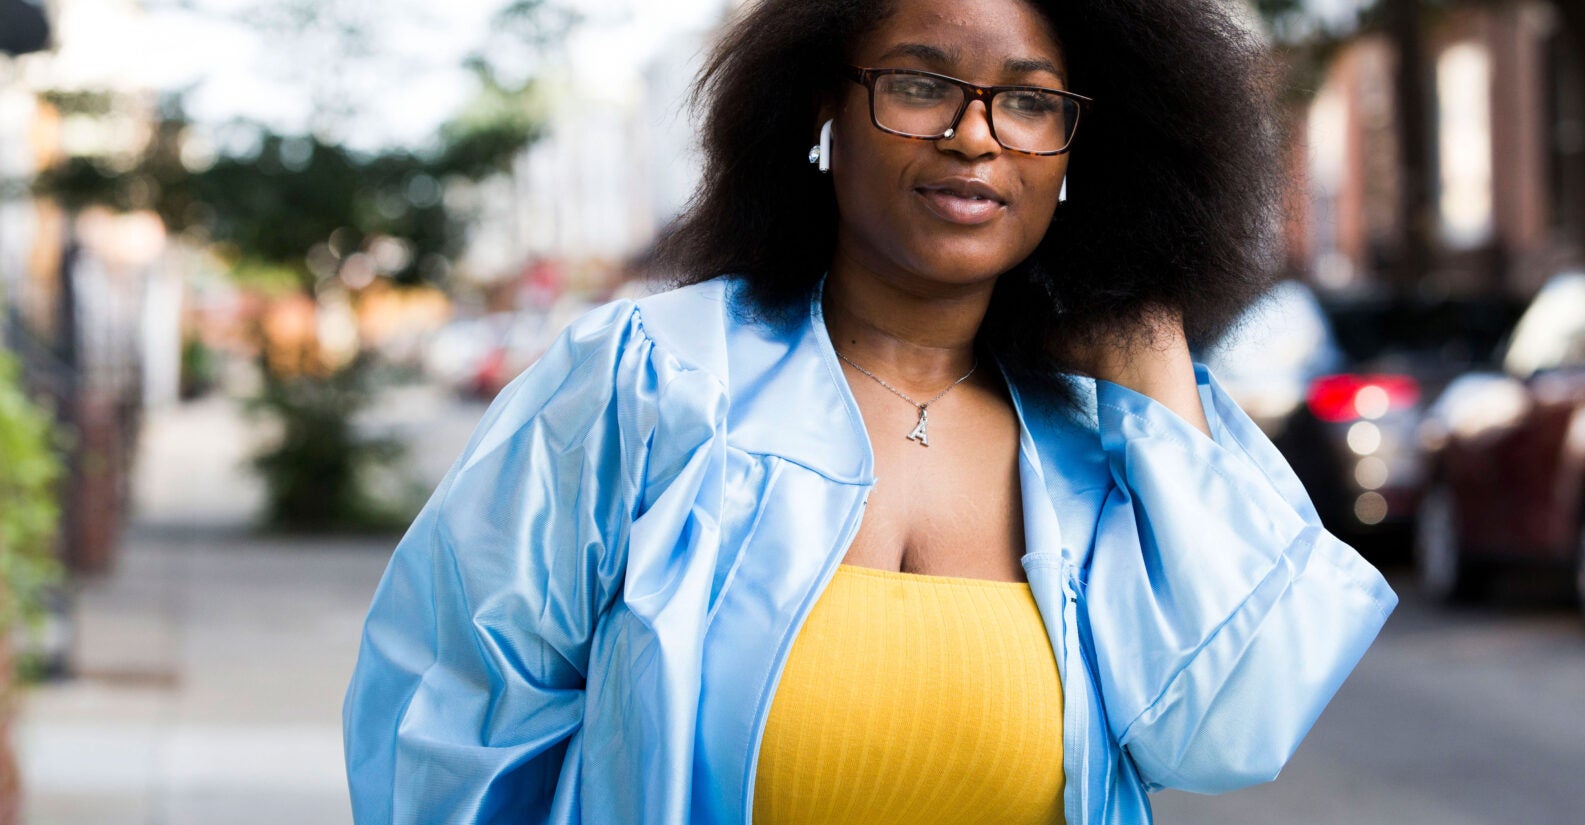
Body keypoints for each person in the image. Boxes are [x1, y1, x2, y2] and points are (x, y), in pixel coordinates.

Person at [342, 0, 1397, 821]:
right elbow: (443, 732)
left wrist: (1155, 367)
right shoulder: (646, 386)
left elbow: (1227, 732)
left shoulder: (1106, 444)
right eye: (919, 84)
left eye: (1029, 102)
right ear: (818, 112)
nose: (974, 135)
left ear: (1080, 155)